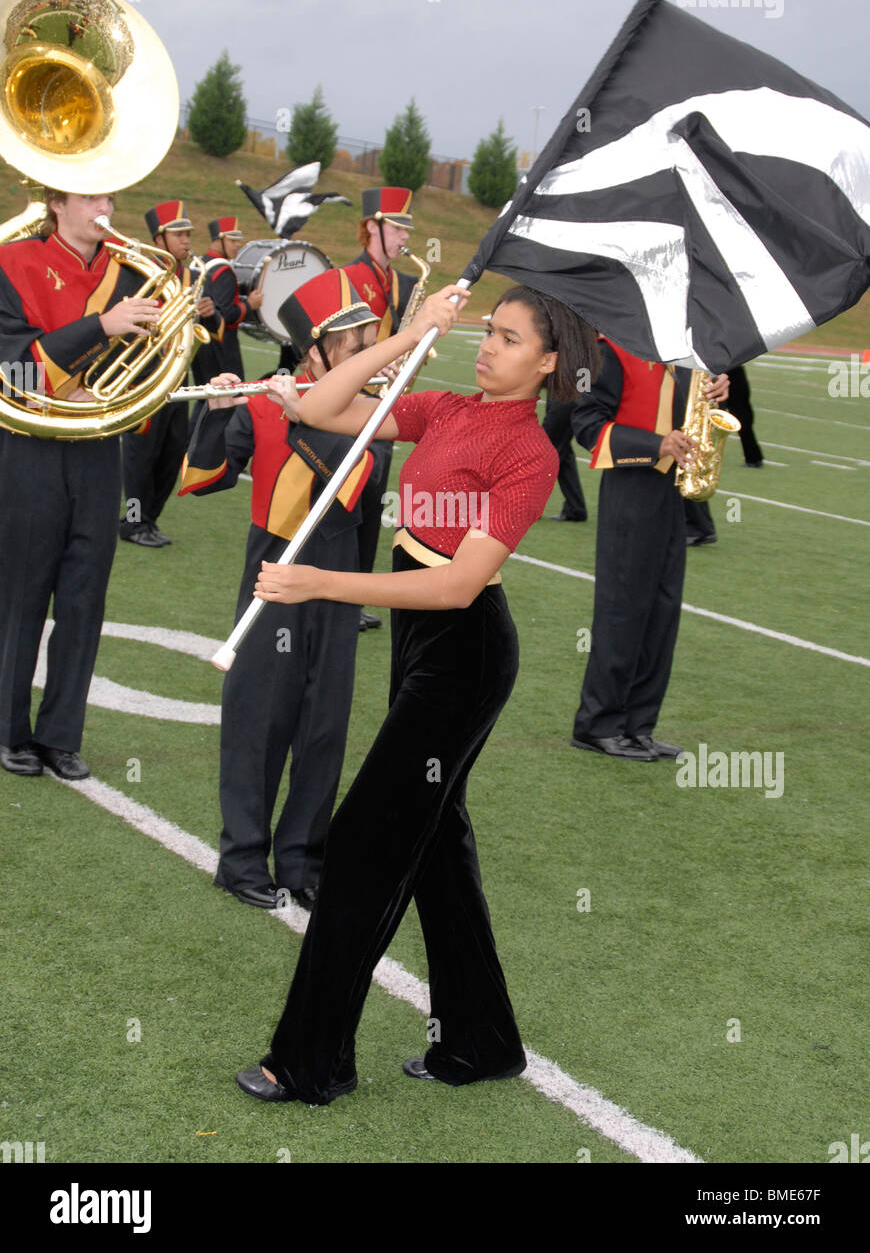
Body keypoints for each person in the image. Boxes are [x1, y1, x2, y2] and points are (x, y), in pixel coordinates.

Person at [233, 281, 599, 1106]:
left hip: (462, 656)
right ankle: (480, 1040)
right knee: (434, 844)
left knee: (364, 840)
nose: (490, 345)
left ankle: (310, 1062)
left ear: (547, 364)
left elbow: (459, 587)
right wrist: (410, 334)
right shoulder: (445, 408)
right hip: (419, 644)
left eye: (509, 339)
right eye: (489, 331)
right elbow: (322, 406)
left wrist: (318, 582)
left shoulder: (529, 453)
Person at [178, 270, 379, 911]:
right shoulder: (266, 402)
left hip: (338, 573)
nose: (371, 350)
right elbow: (203, 479)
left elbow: (352, 495)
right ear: (313, 351)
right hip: (273, 567)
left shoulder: (374, 415)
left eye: (371, 335)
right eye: (355, 341)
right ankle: (241, 858)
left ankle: (302, 860)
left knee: (324, 723)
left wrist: (301, 415)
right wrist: (219, 411)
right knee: (261, 716)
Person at [0, 190, 160, 779]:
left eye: (111, 196)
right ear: (56, 203)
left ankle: (60, 734)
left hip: (96, 451)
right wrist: (102, 326)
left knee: (84, 596)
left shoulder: (131, 273)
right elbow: (11, 367)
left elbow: (150, 363)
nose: (106, 207)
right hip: (28, 448)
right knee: (21, 595)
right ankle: (8, 729)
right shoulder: (11, 262)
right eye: (91, 195)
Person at [570, 340, 729, 762]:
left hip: (671, 490)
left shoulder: (690, 355)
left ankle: (639, 726)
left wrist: (715, 389)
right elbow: (586, 424)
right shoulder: (612, 350)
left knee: (662, 608)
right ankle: (598, 724)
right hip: (631, 484)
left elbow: (689, 411)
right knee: (623, 606)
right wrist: (655, 444)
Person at [342, 188, 418, 631]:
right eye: (396, 227)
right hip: (353, 401)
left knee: (371, 505)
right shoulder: (349, 276)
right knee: (347, 502)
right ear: (372, 225)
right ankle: (337, 594)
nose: (404, 237)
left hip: (382, 404)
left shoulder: (397, 281)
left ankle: (356, 598)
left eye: (408, 229)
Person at [118, 200, 203, 548]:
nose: (186, 240)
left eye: (187, 234)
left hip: (176, 380)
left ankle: (149, 519)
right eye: (178, 234)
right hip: (145, 378)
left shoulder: (191, 275)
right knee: (140, 459)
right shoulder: (143, 271)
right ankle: (134, 521)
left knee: (172, 454)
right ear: (159, 237)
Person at [191, 215, 264, 386]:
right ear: (218, 241)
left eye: (238, 240)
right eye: (232, 240)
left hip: (199, 345)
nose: (238, 245)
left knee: (205, 398)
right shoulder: (223, 271)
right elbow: (226, 314)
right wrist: (249, 305)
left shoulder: (198, 264)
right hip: (221, 347)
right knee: (230, 397)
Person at [542, 387, 588, 521]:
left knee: (543, 451)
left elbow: (584, 371)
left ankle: (529, 506)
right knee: (563, 455)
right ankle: (575, 509)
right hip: (560, 396)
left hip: (565, 397)